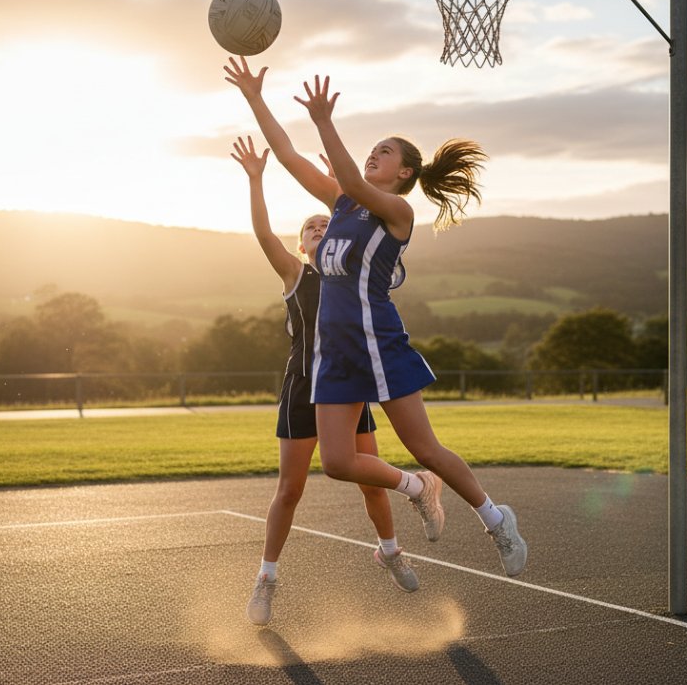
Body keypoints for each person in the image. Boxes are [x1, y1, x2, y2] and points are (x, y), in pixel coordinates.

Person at [225, 57, 527, 578]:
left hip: (378, 344)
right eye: (373, 149)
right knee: (338, 463)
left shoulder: (398, 214)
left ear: (404, 174)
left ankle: (496, 519)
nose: (373, 154)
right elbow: (289, 155)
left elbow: (346, 178)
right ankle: (417, 488)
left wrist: (325, 119)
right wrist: (255, 97)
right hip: (335, 356)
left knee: (426, 448)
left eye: (383, 152)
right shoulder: (342, 205)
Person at [230, 133, 420, 627]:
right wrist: (257, 180)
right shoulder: (295, 275)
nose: (318, 226)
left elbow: (364, 221)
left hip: (350, 383)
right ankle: (267, 579)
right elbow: (264, 234)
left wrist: (342, 186)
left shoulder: (350, 270)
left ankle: (391, 551)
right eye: (310, 226)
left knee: (370, 481)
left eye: (323, 222)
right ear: (303, 244)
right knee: (289, 491)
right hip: (303, 389)